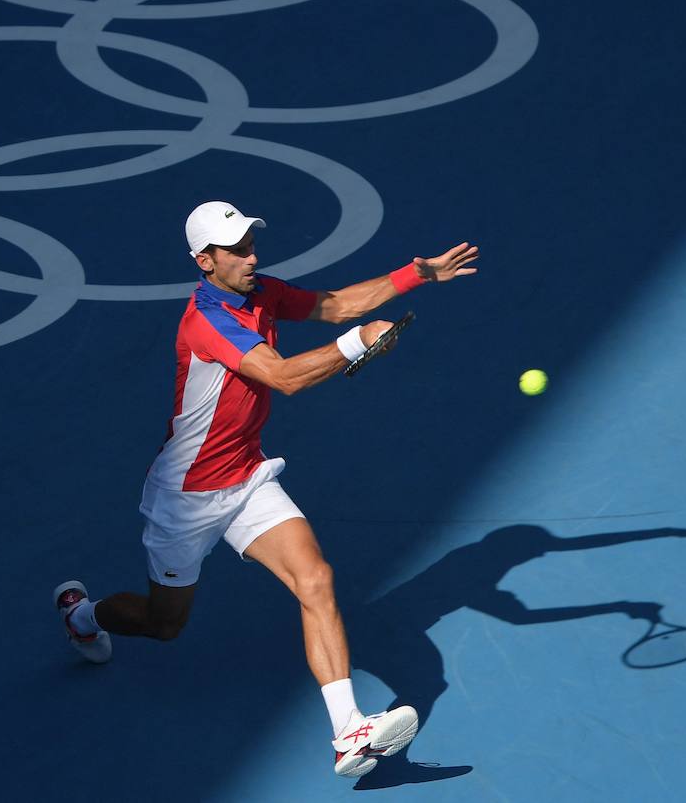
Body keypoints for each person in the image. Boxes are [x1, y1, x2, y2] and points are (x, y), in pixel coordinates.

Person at [53, 200, 478, 778]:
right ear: (206, 261)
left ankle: (349, 731)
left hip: (247, 476)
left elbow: (335, 306)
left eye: (253, 243)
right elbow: (280, 375)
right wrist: (357, 345)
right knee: (164, 623)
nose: (254, 256)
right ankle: (85, 616)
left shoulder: (262, 292)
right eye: (239, 249)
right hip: (187, 496)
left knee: (316, 578)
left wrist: (417, 274)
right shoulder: (206, 321)